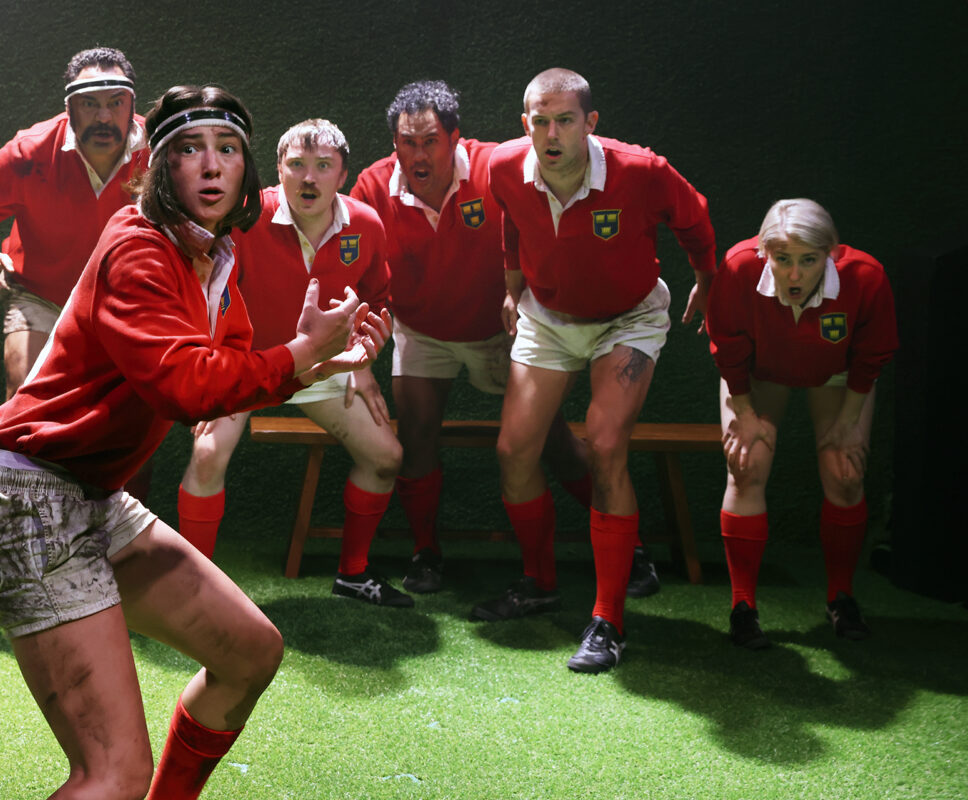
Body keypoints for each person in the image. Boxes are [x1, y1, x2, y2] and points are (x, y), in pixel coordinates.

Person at [0, 85, 391, 800]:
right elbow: (185, 388)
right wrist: (299, 354)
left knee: (250, 652)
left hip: (94, 497)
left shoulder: (214, 256)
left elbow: (231, 372)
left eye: (228, 149)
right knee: (113, 776)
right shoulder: (138, 245)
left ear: (247, 171)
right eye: (190, 150)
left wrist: (314, 364)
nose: (212, 165)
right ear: (160, 168)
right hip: (27, 500)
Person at [353, 80, 665, 599]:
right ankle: (426, 552)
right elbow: (353, 264)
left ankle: (629, 548)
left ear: (455, 137)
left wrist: (521, 295)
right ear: (394, 144)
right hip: (422, 330)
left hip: (500, 332)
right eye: (407, 142)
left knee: (551, 442)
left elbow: (542, 221)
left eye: (430, 141)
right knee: (417, 436)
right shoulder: (372, 186)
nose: (418, 155)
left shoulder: (498, 167)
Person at [485, 68, 715, 673]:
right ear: (525, 123)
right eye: (540, 121)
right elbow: (510, 219)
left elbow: (694, 216)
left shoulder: (640, 170)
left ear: (590, 122)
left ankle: (608, 620)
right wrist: (512, 287)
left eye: (565, 120)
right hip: (548, 316)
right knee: (514, 452)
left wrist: (708, 279)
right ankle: (540, 582)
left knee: (606, 445)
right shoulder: (504, 166)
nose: (551, 134)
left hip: (628, 317)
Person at [0, 47, 149, 622]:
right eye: (89, 103)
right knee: (22, 414)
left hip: (120, 304)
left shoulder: (158, 152)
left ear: (131, 104)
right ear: (69, 108)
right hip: (41, 297)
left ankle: (118, 562)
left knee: (135, 418)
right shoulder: (31, 150)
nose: (103, 116)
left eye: (116, 102)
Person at [177, 118, 409, 606]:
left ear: (342, 174)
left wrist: (362, 364)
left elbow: (376, 299)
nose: (309, 178)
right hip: (245, 362)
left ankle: (353, 575)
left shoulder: (366, 224)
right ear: (278, 169)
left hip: (323, 367)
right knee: (207, 455)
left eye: (323, 166)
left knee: (386, 457)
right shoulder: (243, 216)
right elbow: (202, 293)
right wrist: (209, 367)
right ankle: (195, 590)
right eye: (297, 165)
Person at [706, 199, 898, 649]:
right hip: (758, 370)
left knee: (845, 472)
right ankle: (743, 606)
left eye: (809, 260)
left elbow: (871, 356)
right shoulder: (738, 267)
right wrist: (745, 414)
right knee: (746, 465)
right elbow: (727, 347)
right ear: (764, 253)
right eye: (782, 259)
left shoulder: (865, 276)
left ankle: (841, 597)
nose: (794, 274)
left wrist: (848, 423)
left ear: (830, 252)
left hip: (837, 373)